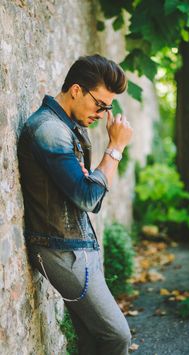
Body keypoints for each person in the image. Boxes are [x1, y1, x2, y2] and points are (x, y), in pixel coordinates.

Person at [18, 54, 133, 355]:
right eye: (100, 104)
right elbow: (88, 196)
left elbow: (86, 190)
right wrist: (116, 148)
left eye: (108, 108)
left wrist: (91, 176)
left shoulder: (68, 127)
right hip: (62, 251)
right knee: (117, 335)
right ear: (77, 90)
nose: (103, 113)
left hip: (77, 246)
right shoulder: (50, 130)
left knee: (94, 341)